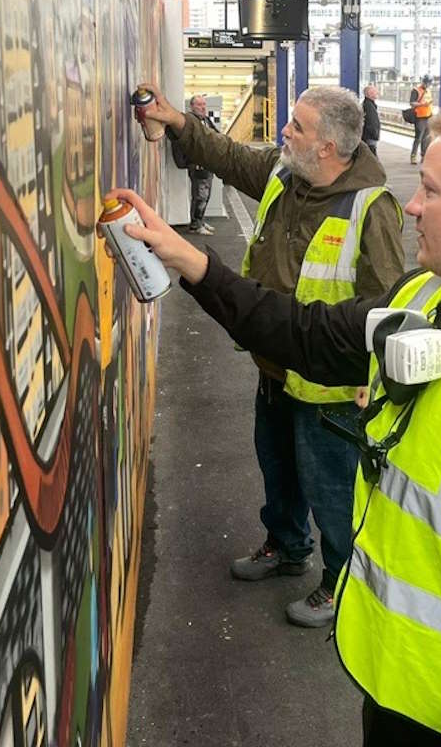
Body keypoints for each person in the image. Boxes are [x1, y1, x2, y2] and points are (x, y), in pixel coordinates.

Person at [112, 108, 441, 747]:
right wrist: (188, 258)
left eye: (432, 191)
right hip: (392, 687)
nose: (412, 206)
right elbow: (299, 331)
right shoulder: (422, 301)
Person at [133, 81, 406, 628]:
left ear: (327, 147)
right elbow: (230, 159)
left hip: (330, 388)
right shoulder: (289, 176)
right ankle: (286, 547)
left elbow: (389, 304)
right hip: (275, 364)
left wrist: (375, 379)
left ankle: (340, 583)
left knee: (331, 490)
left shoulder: (369, 209)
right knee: (277, 468)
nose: (284, 131)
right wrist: (179, 121)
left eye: (297, 126)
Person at [170, 94, 220, 234]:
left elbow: (216, 135)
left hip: (207, 163)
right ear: (191, 106)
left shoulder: (205, 120)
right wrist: (188, 162)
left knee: (205, 194)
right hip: (197, 164)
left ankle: (200, 221)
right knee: (200, 195)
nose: (203, 107)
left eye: (204, 104)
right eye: (199, 105)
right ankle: (196, 225)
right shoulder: (189, 121)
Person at [408, 74, 434, 165]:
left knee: (426, 138)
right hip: (420, 117)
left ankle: (424, 156)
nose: (427, 85)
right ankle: (413, 156)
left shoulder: (428, 91)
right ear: (423, 82)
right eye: (426, 83)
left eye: (429, 83)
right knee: (418, 138)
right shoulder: (416, 90)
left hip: (428, 116)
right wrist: (423, 104)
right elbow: (412, 103)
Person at [361, 84, 382, 156]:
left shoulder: (369, 104)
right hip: (370, 137)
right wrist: (375, 134)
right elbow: (372, 122)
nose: (377, 93)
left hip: (369, 136)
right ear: (370, 94)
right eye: (375, 92)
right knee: (372, 159)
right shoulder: (369, 106)